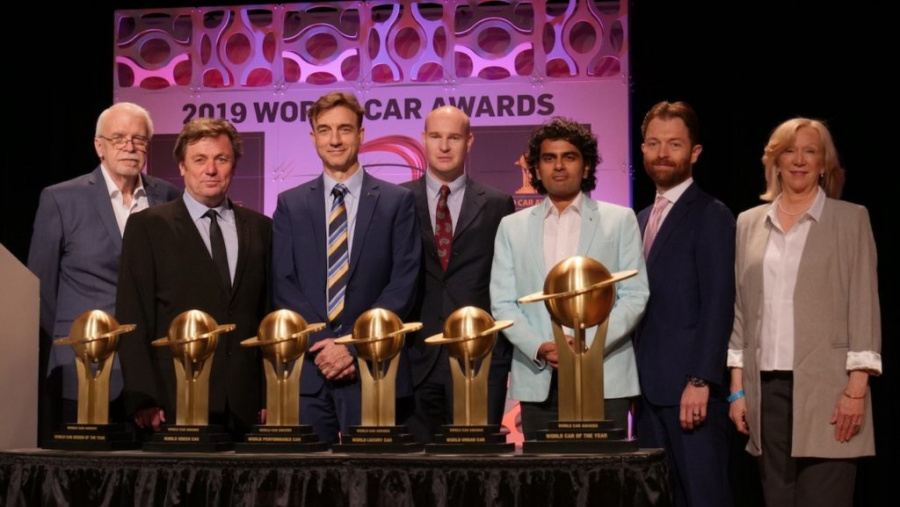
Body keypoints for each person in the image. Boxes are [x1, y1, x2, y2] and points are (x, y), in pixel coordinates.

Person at [727, 118, 881, 506]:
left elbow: (864, 306)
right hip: (766, 392)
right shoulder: (748, 223)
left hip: (829, 390)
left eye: (810, 151)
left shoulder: (851, 219)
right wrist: (737, 388)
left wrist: (856, 390)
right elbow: (742, 309)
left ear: (823, 163)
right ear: (775, 162)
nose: (799, 160)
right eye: (789, 152)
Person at [272, 91, 420, 444]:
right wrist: (323, 343)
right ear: (313, 137)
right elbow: (283, 283)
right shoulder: (290, 204)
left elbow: (403, 284)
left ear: (361, 134)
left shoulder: (397, 201)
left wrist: (352, 345)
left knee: (375, 475)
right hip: (310, 371)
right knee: (308, 477)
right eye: (324, 130)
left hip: (374, 368)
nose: (335, 140)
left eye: (344, 129)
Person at [27, 102, 181, 442]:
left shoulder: (168, 197)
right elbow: (40, 290)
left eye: (139, 139)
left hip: (148, 377)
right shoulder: (61, 199)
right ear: (100, 146)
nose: (129, 146)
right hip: (80, 369)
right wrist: (76, 341)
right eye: (119, 138)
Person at [490, 117, 649, 440]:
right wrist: (542, 347)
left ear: (586, 167)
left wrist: (589, 344)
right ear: (536, 169)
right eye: (549, 158)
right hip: (540, 377)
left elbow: (634, 295)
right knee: (545, 472)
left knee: (605, 472)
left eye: (569, 157)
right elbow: (503, 303)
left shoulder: (619, 220)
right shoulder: (512, 227)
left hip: (605, 375)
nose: (559, 166)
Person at [116, 118, 271, 439]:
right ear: (182, 166)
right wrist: (144, 396)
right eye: (200, 159)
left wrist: (270, 394)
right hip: (173, 399)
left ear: (234, 165)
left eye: (221, 159)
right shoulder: (148, 226)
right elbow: (133, 315)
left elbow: (266, 313)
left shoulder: (260, 227)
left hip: (245, 403)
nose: (210, 169)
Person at [633, 101, 735, 507]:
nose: (662, 153)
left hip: (691, 393)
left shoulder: (712, 214)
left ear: (694, 152)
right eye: (653, 143)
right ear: (642, 148)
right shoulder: (640, 218)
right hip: (647, 392)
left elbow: (719, 303)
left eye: (674, 144)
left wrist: (701, 380)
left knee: (704, 497)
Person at [400, 106, 515, 443]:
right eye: (436, 136)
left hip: (479, 357)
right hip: (415, 358)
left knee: (475, 466)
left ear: (470, 141)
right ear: (423, 139)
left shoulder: (497, 204)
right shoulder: (397, 200)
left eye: (454, 137)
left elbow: (505, 281)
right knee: (415, 470)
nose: (444, 146)